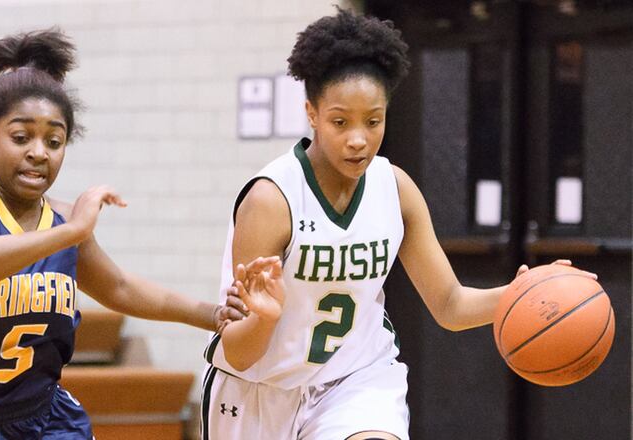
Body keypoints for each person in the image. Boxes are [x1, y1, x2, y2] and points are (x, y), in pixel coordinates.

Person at [201, 8, 589, 440]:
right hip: (258, 390)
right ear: (311, 113)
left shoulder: (396, 189)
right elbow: (238, 351)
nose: (358, 138)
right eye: (339, 121)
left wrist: (528, 292)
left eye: (373, 120)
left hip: (355, 382)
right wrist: (263, 319)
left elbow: (450, 305)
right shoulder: (271, 200)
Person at [0, 29, 252, 439]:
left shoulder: (62, 222)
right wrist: (71, 232)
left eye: (54, 140)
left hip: (38, 420)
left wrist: (213, 315)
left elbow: (120, 287)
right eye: (21, 137)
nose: (39, 151)